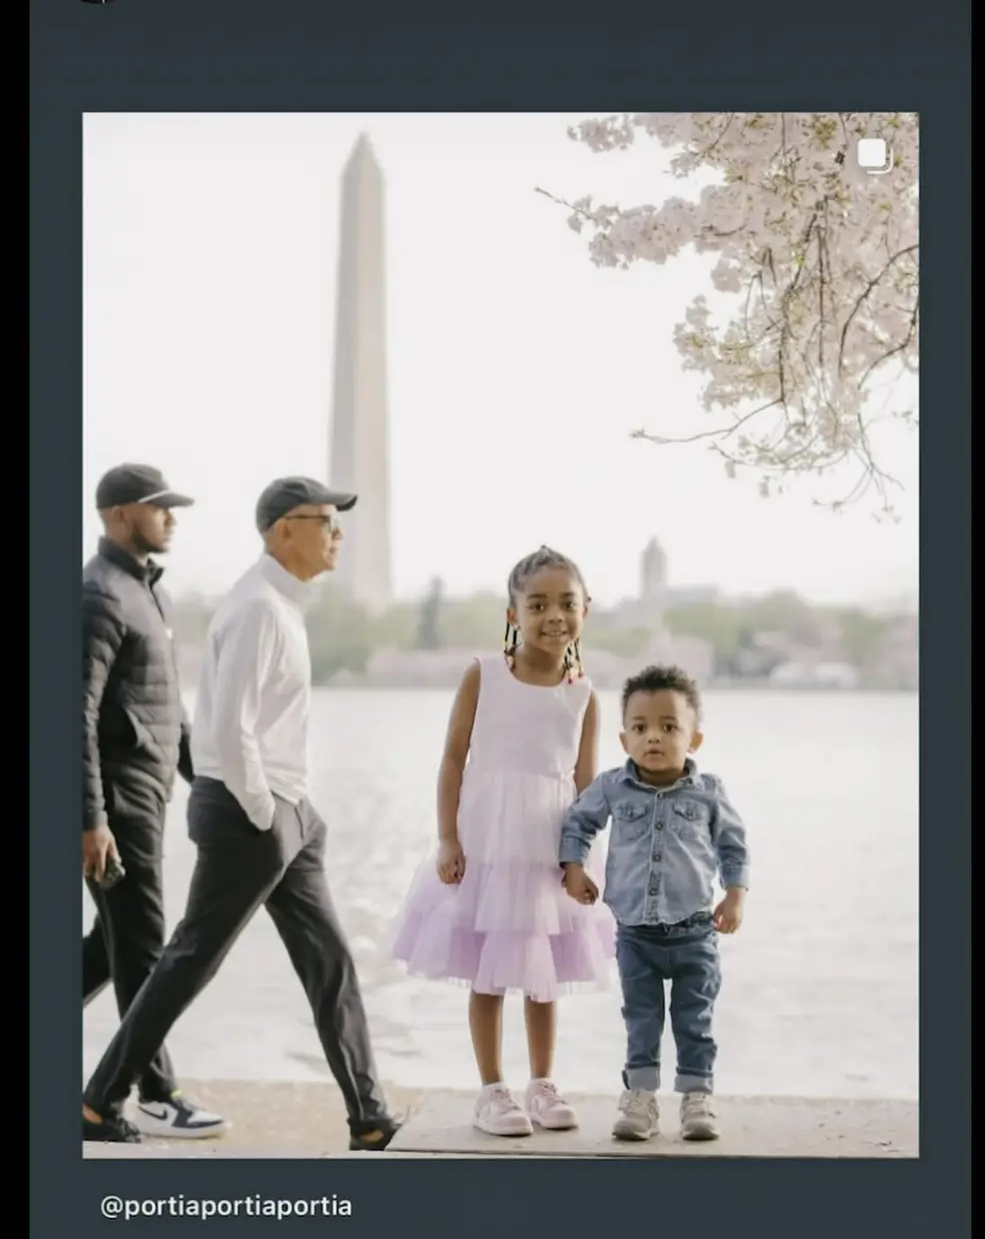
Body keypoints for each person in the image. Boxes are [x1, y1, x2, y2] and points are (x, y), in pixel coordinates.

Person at [82, 476, 400, 1151]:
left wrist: (290, 810)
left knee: (330, 962)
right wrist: (261, 810)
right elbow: (230, 728)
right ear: (284, 529)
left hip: (287, 811)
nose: (336, 533)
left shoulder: (280, 604)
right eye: (324, 520)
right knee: (189, 960)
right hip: (254, 814)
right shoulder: (257, 607)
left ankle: (368, 1116)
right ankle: (100, 1100)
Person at [391, 546, 615, 1137]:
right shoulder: (484, 675)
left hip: (548, 850)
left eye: (566, 603)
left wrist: (578, 859)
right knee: (488, 971)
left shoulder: (583, 694)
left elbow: (587, 785)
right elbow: (451, 760)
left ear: (585, 609)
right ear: (513, 613)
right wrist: (447, 839)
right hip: (487, 847)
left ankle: (542, 1082)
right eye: (536, 604)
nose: (553, 615)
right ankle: (492, 1089)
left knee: (544, 973)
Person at [82, 464, 227, 1142]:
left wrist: (213, 782)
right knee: (143, 945)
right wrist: (91, 820)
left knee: (108, 946)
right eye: (157, 506)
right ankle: (154, 1090)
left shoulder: (145, 591)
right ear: (117, 515)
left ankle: (143, 1084)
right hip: (115, 803)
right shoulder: (98, 594)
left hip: (146, 794)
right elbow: (72, 715)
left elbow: (169, 713)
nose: (171, 517)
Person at [559, 664, 750, 1144]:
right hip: (636, 936)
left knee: (695, 1019)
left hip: (695, 933)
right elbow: (578, 822)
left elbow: (733, 847)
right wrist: (574, 867)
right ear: (624, 739)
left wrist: (735, 895)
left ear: (694, 739)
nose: (654, 738)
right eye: (641, 728)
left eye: (669, 727)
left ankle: (696, 1097)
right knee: (641, 1019)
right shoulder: (612, 787)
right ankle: (640, 1099)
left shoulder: (709, 794)